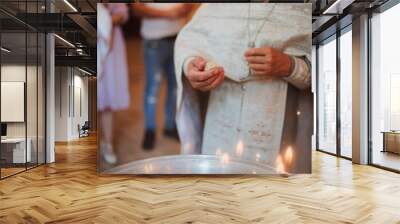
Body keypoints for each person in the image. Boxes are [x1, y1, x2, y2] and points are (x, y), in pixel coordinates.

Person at [174, 3, 313, 172]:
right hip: (220, 120)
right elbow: (190, 41)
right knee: (216, 189)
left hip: (282, 124)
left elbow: (332, 58)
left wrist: (290, 66)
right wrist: (191, 64)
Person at [132, 3, 193, 150]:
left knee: (175, 87)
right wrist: (168, 14)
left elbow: (190, 5)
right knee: (153, 88)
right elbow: (136, 8)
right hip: (154, 41)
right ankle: (150, 129)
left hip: (178, 39)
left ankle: (170, 126)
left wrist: (185, 8)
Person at [98, 3, 130, 164]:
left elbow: (123, 13)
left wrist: (105, 19)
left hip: (111, 41)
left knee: (108, 97)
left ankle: (108, 143)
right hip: (90, 37)